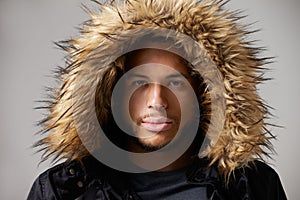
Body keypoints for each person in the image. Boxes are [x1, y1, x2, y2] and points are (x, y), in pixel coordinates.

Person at [27, 0, 287, 199]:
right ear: (110, 94)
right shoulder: (62, 190)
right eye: (139, 83)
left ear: (205, 94)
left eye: (176, 82)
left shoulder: (252, 186)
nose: (158, 101)